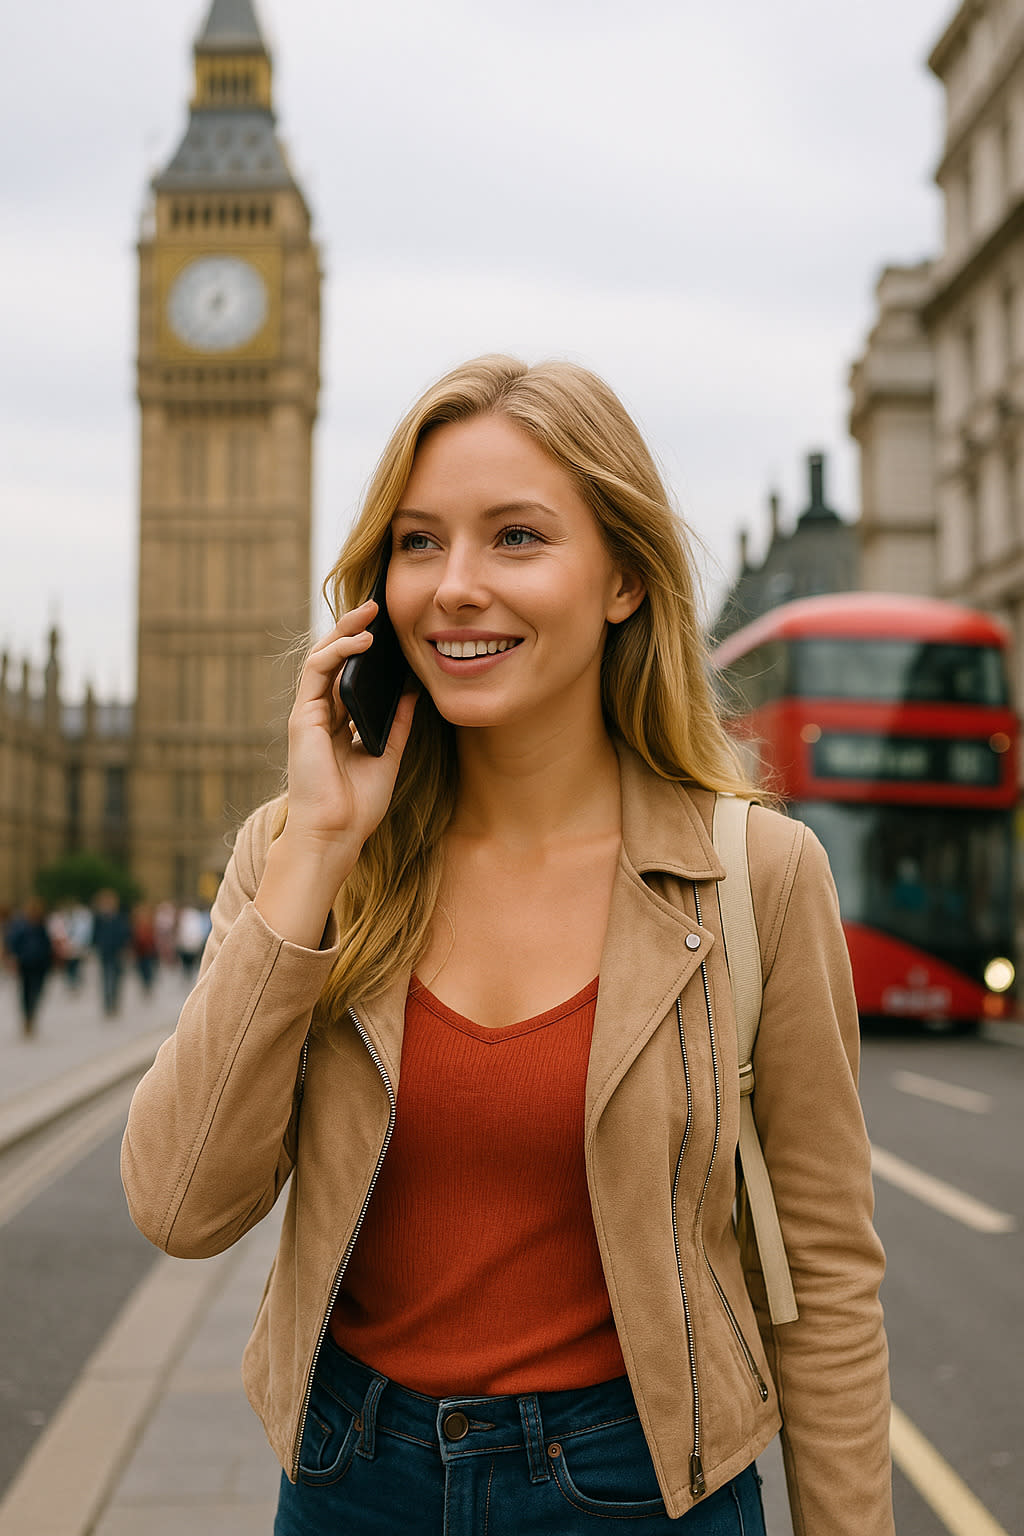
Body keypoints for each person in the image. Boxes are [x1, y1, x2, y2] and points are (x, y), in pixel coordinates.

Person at [122, 356, 894, 1535]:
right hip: (347, 1484)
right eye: (419, 542)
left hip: (639, 1491)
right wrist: (317, 852)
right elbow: (179, 1209)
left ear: (624, 579)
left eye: (517, 539)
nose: (456, 587)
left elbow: (829, 1285)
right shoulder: (306, 852)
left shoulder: (758, 876)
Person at [5, 898, 53, 1036]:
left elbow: (47, 944)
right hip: (25, 963)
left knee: (37, 991)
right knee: (26, 992)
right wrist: (13, 958)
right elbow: (13, 942)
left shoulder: (42, 925)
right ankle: (27, 1017)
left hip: (40, 963)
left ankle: (31, 1015)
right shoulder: (21, 926)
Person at [92, 888, 131, 1018]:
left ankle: (114, 1002)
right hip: (105, 953)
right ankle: (108, 1004)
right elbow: (95, 935)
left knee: (116, 979)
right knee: (106, 979)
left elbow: (126, 934)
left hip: (117, 952)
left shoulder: (119, 917)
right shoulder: (99, 918)